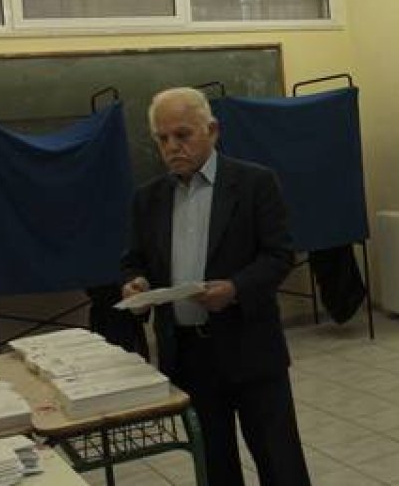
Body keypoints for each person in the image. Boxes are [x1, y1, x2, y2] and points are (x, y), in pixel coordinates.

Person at [121, 87, 311, 486]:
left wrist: (235, 288)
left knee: (279, 462)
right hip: (188, 354)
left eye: (183, 135)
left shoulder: (254, 183)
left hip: (250, 346)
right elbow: (136, 261)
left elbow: (279, 255)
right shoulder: (148, 199)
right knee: (214, 467)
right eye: (162, 138)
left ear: (212, 130)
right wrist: (137, 285)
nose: (172, 147)